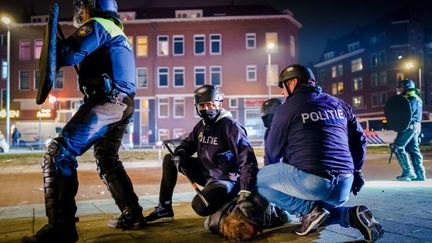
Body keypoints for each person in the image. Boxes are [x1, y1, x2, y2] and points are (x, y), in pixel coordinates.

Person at [23, 1, 145, 242]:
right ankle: (133, 213)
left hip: (108, 102)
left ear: (93, 6)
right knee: (107, 158)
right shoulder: (114, 29)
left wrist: (54, 45)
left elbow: (67, 54)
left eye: (82, 8)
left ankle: (62, 229)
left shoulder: (99, 24)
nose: (80, 14)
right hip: (123, 103)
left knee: (59, 152)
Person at [257, 64, 384, 241]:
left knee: (259, 180)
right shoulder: (338, 103)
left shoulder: (287, 108)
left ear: (292, 82)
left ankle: (308, 210)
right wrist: (356, 172)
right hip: (344, 186)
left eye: (282, 86)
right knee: (319, 215)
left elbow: (272, 152)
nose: (282, 93)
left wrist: (276, 184)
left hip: (314, 183)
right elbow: (360, 140)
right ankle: (352, 215)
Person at [144, 84, 259, 224]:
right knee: (170, 159)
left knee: (200, 206)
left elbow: (247, 160)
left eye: (210, 105)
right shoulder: (202, 125)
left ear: (219, 103)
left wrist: (245, 190)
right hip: (206, 173)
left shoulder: (231, 127)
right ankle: (164, 209)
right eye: (201, 106)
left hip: (225, 179)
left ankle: (230, 201)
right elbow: (188, 144)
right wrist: (180, 153)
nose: (206, 109)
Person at [391, 79, 426, 181]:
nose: (399, 89)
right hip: (417, 126)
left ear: (405, 88)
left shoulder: (410, 99)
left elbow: (406, 113)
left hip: (409, 126)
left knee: (397, 147)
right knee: (414, 150)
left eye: (401, 87)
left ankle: (408, 173)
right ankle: (420, 174)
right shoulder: (418, 98)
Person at [260, 98, 283, 166]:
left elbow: (272, 157)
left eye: (265, 113)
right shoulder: (269, 131)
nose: (263, 116)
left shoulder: (278, 130)